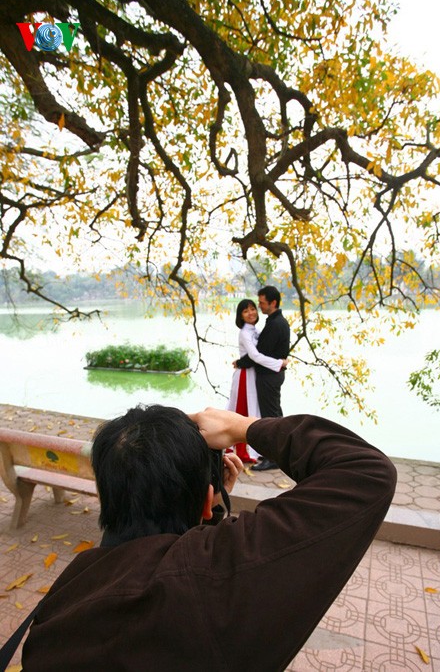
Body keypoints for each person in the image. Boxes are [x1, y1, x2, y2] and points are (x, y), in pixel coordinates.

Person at [21, 404, 396, 672]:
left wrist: (208, 512)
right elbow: (366, 471)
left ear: (106, 496)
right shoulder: (215, 585)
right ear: (205, 499)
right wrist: (244, 426)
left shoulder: (67, 592)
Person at [235, 285, 290, 470]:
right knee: (272, 415)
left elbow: (258, 355)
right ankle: (277, 454)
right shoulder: (272, 322)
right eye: (249, 308)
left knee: (270, 417)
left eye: (260, 303)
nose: (258, 307)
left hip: (269, 376)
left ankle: (273, 457)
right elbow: (256, 354)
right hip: (270, 375)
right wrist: (241, 362)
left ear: (273, 303)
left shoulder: (275, 324)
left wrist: (279, 363)